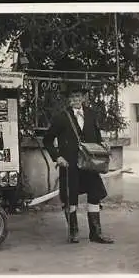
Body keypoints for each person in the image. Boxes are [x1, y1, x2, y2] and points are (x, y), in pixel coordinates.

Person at [43, 83, 114, 244]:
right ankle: (73, 232)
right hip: (70, 164)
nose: (76, 99)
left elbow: (96, 137)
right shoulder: (62, 117)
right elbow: (47, 140)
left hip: (90, 163)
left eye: (78, 96)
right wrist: (57, 157)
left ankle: (96, 233)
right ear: (69, 100)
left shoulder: (91, 115)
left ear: (83, 98)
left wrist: (103, 144)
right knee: (70, 197)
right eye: (72, 97)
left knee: (95, 194)